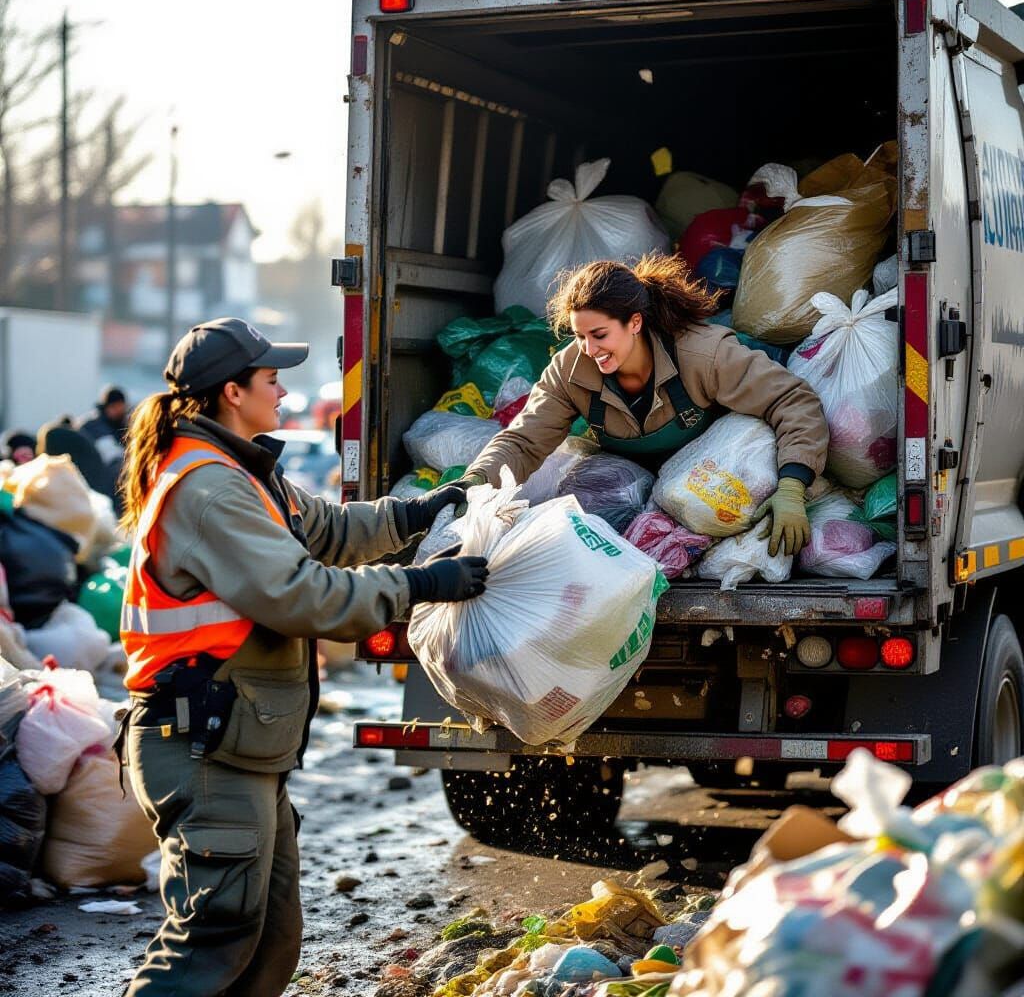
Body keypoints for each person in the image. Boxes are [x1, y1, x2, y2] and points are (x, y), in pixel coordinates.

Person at [117, 317, 486, 997]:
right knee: (212, 940)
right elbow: (300, 596)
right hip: (204, 746)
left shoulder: (240, 471)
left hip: (238, 741)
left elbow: (326, 531)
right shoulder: (209, 488)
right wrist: (420, 585)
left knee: (269, 940)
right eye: (271, 379)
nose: (283, 391)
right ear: (232, 392)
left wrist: (413, 514)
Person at [461, 253, 828, 556]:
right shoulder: (570, 369)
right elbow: (523, 441)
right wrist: (471, 485)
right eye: (579, 336)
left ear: (635, 322)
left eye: (600, 335)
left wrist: (793, 487)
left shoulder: (704, 354)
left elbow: (792, 401)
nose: (589, 350)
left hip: (714, 480)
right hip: (639, 490)